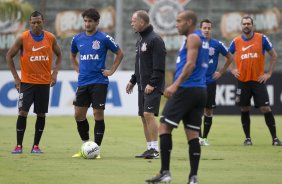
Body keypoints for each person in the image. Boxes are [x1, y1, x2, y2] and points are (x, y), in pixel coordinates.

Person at [146, 10, 209, 184]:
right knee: (193, 134)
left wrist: (175, 84)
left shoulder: (193, 38)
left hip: (186, 90)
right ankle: (193, 177)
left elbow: (190, 63)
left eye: (179, 21)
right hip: (200, 90)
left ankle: (165, 173)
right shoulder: (202, 39)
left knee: (164, 128)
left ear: (189, 22)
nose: (176, 24)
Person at [70, 8, 124, 158]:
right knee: (78, 115)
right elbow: (72, 54)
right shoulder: (77, 39)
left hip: (99, 81)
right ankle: (87, 146)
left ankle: (96, 149)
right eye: (85, 21)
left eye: (90, 21)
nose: (87, 24)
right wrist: (77, 68)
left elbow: (120, 53)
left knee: (97, 113)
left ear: (97, 22)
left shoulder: (104, 38)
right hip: (83, 82)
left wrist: (112, 70)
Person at [6, 11, 62, 154]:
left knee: (41, 114)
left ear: (43, 21)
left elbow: (59, 54)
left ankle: (36, 146)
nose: (36, 25)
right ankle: (19, 145)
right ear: (30, 23)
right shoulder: (23, 38)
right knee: (22, 112)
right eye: (33, 22)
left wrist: (54, 73)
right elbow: (9, 56)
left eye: (38, 22)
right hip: (27, 83)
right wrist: (16, 78)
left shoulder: (50, 38)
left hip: (44, 83)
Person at [229, 15, 282, 146]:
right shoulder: (236, 41)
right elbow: (227, 56)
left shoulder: (261, 38)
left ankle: (275, 139)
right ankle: (248, 139)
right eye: (244, 24)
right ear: (241, 26)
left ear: (252, 25)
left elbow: (274, 55)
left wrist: (268, 73)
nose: (246, 26)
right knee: (244, 109)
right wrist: (232, 70)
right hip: (242, 81)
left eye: (248, 23)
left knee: (265, 108)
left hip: (258, 80)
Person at [126, 10, 166, 159]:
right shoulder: (140, 41)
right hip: (142, 85)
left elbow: (160, 66)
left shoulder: (155, 40)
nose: (132, 24)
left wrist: (153, 83)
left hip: (153, 85)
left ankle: (155, 150)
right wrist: (133, 80)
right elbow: (139, 66)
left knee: (148, 114)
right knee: (143, 117)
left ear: (142, 22)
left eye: (133, 21)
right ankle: (149, 148)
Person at [199, 19, 233, 146]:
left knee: (209, 110)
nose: (207, 30)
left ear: (211, 29)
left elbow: (230, 57)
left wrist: (221, 72)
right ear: (200, 29)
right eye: (204, 28)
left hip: (210, 82)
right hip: (197, 82)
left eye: (209, 28)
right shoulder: (195, 43)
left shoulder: (217, 44)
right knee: (197, 110)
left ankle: (204, 138)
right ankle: (197, 138)